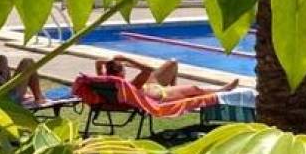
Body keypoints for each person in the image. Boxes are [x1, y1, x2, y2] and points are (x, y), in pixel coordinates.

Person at [102, 53, 238, 100]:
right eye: (123, 67)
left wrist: (109, 62)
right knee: (194, 88)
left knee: (172, 63)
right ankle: (222, 90)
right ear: (121, 72)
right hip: (159, 94)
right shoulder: (132, 84)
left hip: (149, 87)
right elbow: (148, 69)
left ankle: (175, 87)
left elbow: (98, 64)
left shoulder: (104, 79)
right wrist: (127, 59)